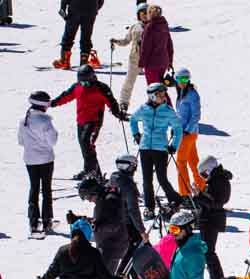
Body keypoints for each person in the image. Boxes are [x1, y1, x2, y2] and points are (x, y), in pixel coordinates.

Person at [49, 64, 124, 180]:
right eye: (82, 82)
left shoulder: (101, 88)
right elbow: (66, 96)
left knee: (86, 143)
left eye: (86, 82)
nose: (84, 85)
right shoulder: (77, 87)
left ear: (92, 77)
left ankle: (91, 172)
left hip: (94, 121)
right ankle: (93, 172)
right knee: (86, 147)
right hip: (81, 121)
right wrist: (53, 103)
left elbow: (111, 102)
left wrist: (118, 113)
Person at [129, 82, 183, 219]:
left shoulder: (168, 110)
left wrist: (174, 146)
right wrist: (136, 134)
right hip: (145, 148)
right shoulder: (144, 108)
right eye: (160, 94)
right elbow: (133, 120)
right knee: (147, 180)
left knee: (161, 178)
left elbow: (178, 129)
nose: (164, 96)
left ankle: (175, 200)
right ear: (152, 96)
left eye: (164, 93)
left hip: (160, 149)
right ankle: (149, 207)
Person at [19, 91, 57, 238]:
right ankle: (47, 220)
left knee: (33, 188)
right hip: (46, 159)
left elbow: (21, 141)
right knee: (46, 189)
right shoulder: (45, 122)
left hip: (30, 159)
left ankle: (33, 221)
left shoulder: (24, 120)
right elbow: (52, 141)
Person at [195, 155, 232, 279]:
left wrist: (200, 196)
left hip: (212, 220)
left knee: (209, 252)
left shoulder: (220, 182)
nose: (204, 177)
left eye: (204, 174)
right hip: (209, 219)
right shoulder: (217, 180)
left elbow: (215, 202)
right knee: (208, 251)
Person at [110, 4, 148, 112]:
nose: (145, 16)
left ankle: (157, 103)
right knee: (129, 81)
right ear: (139, 15)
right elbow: (126, 41)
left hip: (150, 59)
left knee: (152, 82)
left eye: (147, 13)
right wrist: (116, 41)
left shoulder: (153, 27)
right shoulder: (135, 27)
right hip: (135, 58)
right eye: (142, 13)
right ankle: (123, 103)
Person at [172, 68, 203, 197]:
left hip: (188, 134)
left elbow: (196, 116)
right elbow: (180, 114)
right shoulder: (181, 93)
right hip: (183, 132)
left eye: (185, 79)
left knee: (181, 162)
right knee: (193, 161)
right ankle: (202, 187)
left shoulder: (192, 94)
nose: (183, 82)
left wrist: (186, 130)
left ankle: (184, 193)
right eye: (180, 79)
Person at [54, 0, 101, 70]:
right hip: (91, 9)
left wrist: (62, 8)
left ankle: (65, 61)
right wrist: (95, 8)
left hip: (75, 8)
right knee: (86, 37)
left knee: (68, 36)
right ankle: (84, 63)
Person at [138, 6, 173, 88]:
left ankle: (166, 101)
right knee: (160, 88)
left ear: (150, 14)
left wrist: (142, 63)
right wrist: (170, 61)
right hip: (163, 62)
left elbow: (145, 48)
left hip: (152, 64)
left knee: (154, 89)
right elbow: (169, 45)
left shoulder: (150, 27)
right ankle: (165, 101)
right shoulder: (164, 25)